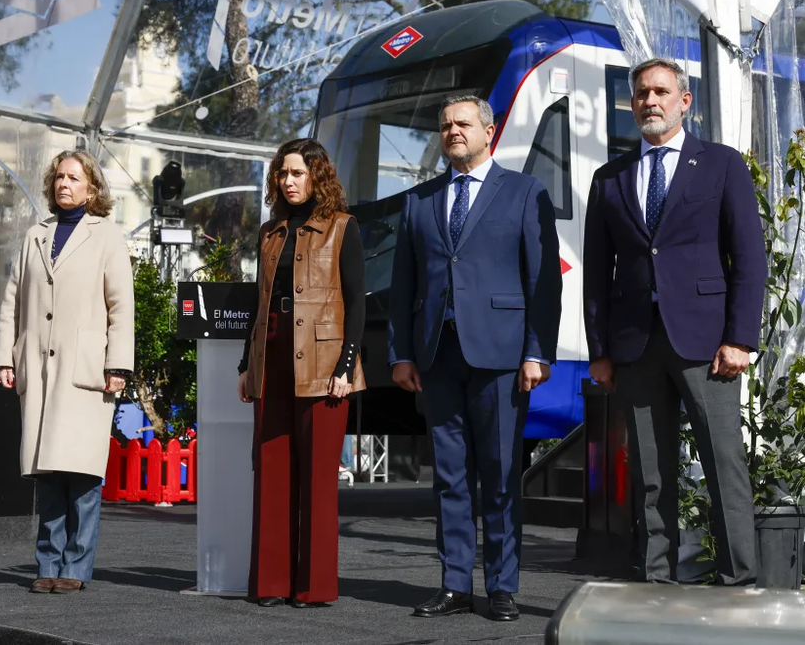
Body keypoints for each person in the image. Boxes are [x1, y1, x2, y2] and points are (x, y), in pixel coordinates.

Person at [583, 57, 765, 586]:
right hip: (635, 344)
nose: (649, 101)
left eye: (661, 91)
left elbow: (747, 258)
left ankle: (739, 582)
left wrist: (739, 338)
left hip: (707, 343)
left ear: (685, 101)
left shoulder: (721, 164)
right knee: (649, 474)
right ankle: (655, 582)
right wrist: (600, 349)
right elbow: (597, 271)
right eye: (641, 93)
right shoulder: (610, 178)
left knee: (722, 465)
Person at [388, 94, 562, 620]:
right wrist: (401, 355)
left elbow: (543, 281)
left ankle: (502, 586)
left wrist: (537, 352)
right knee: (449, 477)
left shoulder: (526, 192)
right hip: (437, 357)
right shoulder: (419, 201)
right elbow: (403, 286)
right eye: (445, 126)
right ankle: (455, 585)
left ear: (489, 131)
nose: (453, 131)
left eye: (463, 123)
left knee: (502, 472)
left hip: (504, 356)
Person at [0, 150, 134, 594]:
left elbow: (120, 306)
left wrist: (118, 364)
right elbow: (12, 299)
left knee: (84, 474)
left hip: (86, 370)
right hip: (39, 368)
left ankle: (75, 567)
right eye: (59, 177)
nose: (64, 184)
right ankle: (46, 565)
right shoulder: (36, 234)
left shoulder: (107, 236)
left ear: (92, 188)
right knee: (48, 472)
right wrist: (4, 357)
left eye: (74, 177)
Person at [237, 138, 366, 608]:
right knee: (271, 471)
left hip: (324, 362)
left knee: (316, 480)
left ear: (317, 176)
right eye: (282, 174)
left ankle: (313, 588)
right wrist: (244, 366)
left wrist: (346, 366)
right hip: (271, 355)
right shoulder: (270, 232)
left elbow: (357, 303)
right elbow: (259, 300)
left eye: (296, 173)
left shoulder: (343, 227)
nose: (288, 182)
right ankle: (271, 584)